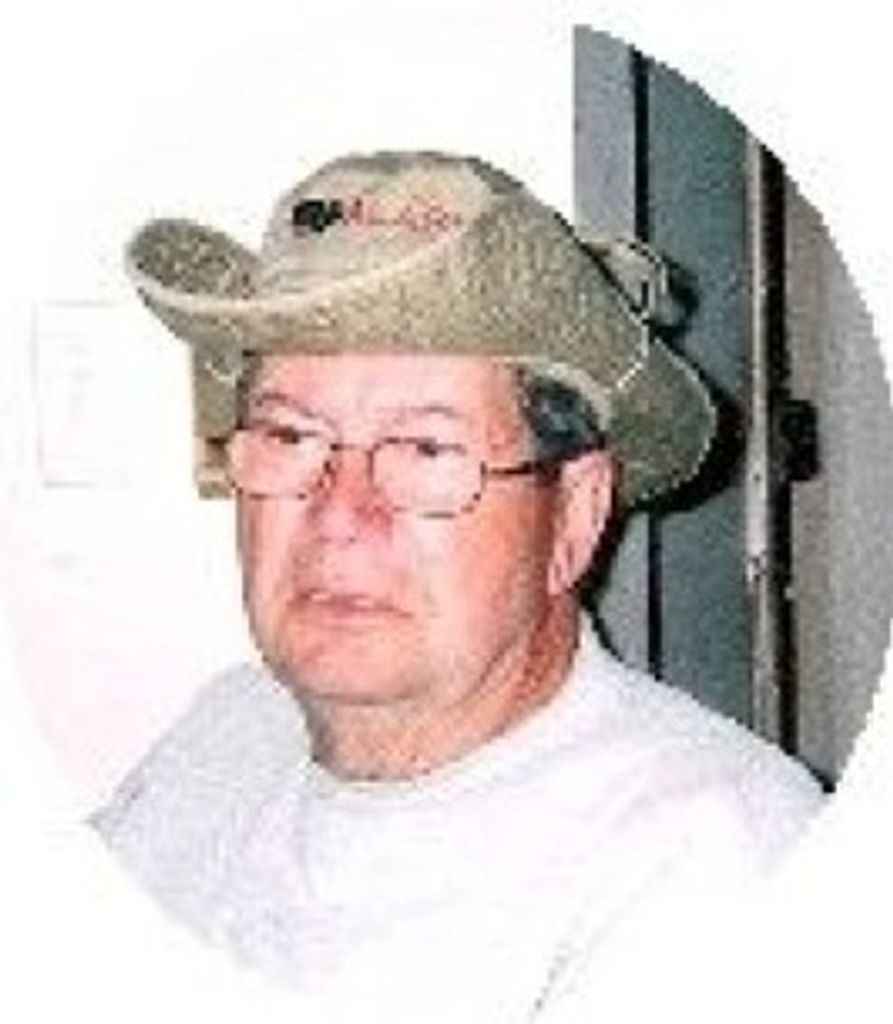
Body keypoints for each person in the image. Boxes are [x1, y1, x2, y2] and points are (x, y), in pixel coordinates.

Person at [94, 151, 822, 1018]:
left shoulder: (713, 853)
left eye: (425, 450)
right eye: (289, 438)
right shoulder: (223, 734)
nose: (338, 514)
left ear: (575, 514)